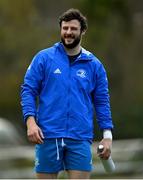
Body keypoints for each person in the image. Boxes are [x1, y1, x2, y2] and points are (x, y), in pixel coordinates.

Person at [21, 8, 114, 179]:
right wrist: (31, 123)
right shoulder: (44, 58)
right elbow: (28, 91)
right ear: (60, 29)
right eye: (65, 28)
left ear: (82, 31)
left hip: (79, 137)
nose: (68, 33)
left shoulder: (94, 65)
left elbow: (102, 102)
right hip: (47, 136)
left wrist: (107, 136)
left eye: (73, 29)